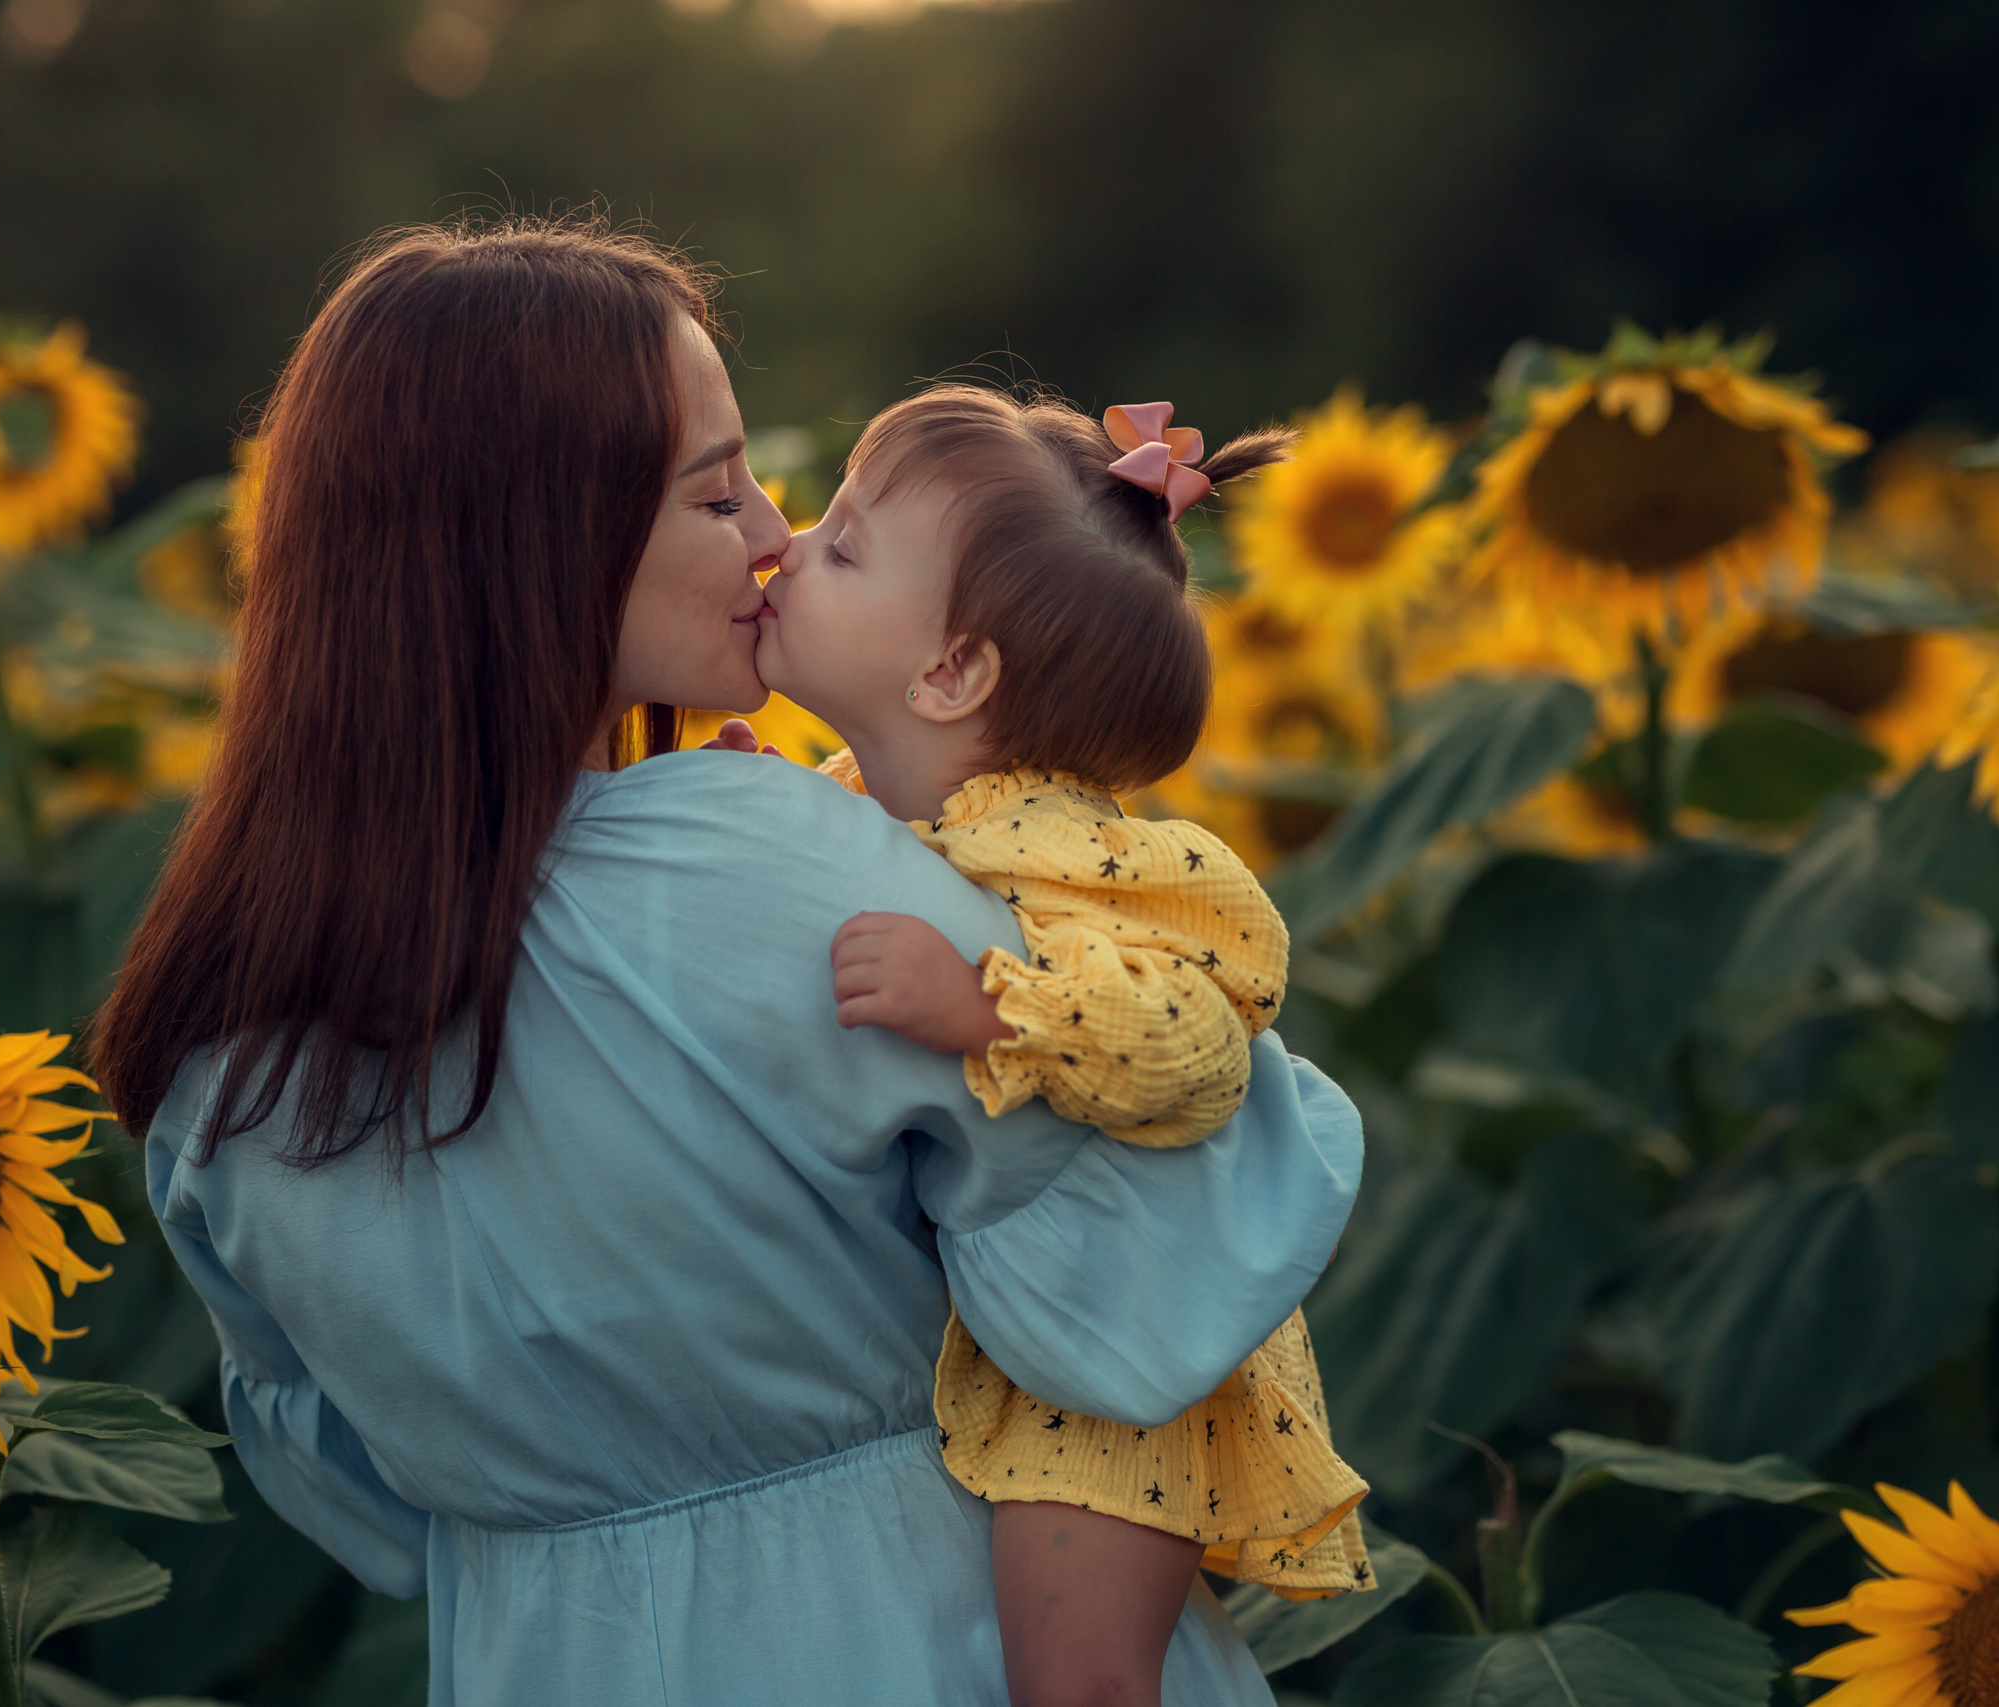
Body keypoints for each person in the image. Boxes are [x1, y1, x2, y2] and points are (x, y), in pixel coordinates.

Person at [93, 217, 1363, 1707]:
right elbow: (1172, 1238)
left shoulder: (214, 1057)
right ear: (538, 538)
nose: (771, 530)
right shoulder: (782, 870)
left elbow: (369, 1498)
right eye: (714, 492)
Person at [709, 385, 1368, 1707]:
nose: (785, 549)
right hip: (1046, 1334)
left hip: (1128, 1369)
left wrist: (987, 1004)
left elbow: (1197, 1044)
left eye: (841, 545)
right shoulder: (879, 803)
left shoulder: (1076, 847)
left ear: (949, 673)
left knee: (1083, 1687)